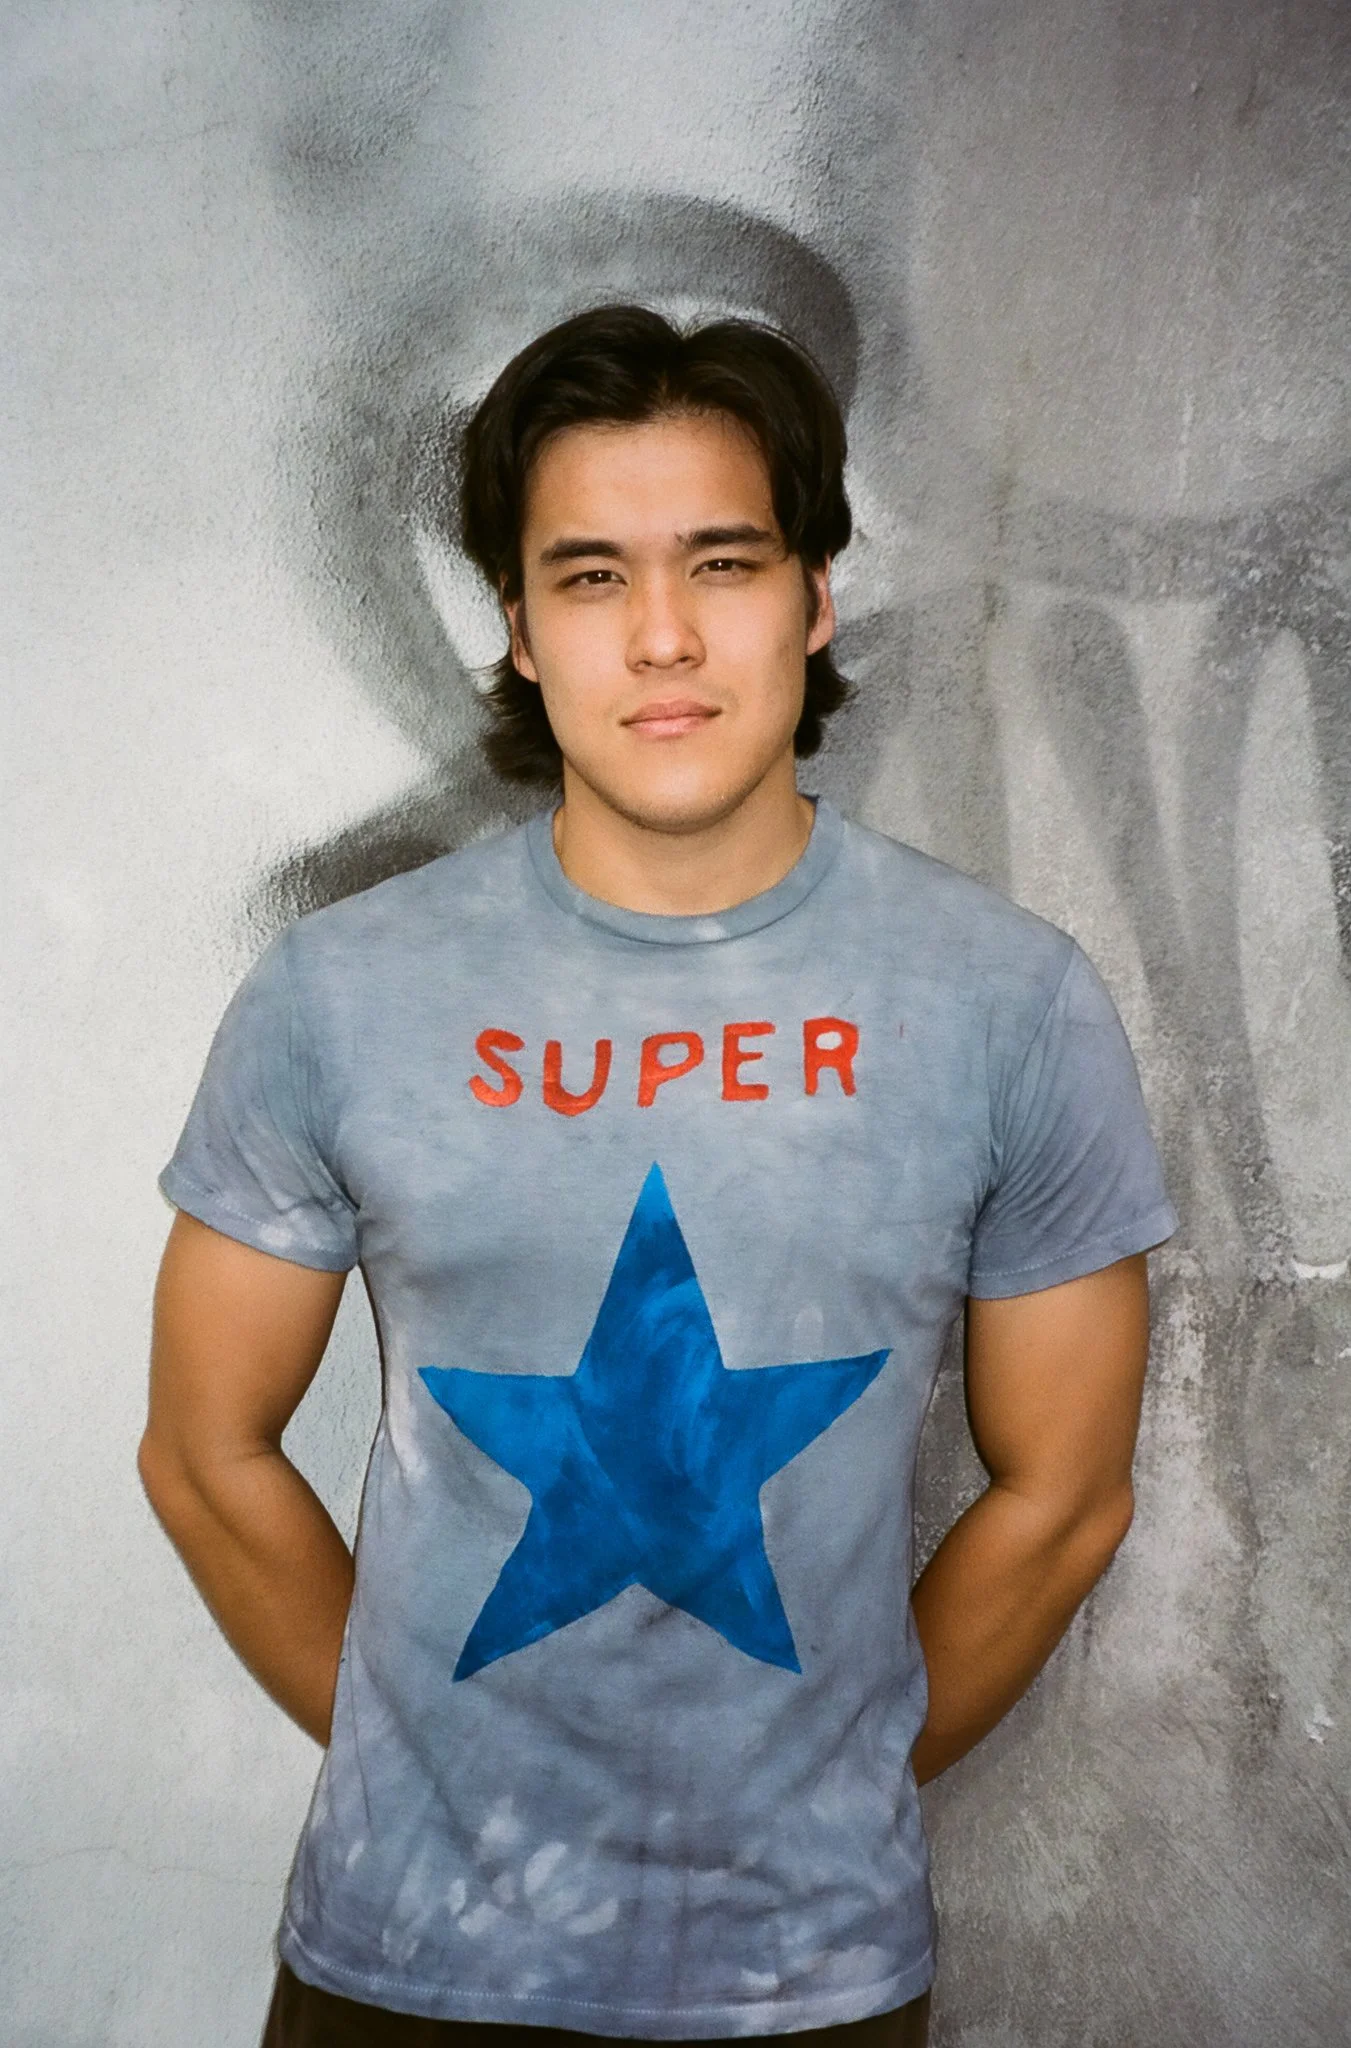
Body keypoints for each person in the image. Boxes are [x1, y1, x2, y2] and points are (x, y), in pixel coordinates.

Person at [140, 306, 1177, 2047]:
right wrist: (439, 1771)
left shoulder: (1008, 1000)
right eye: (593, 577)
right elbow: (201, 1452)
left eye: (723, 560)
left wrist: (807, 1783)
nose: (667, 635)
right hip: (396, 1975)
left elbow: (1064, 1498)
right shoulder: (337, 991)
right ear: (525, 635)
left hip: (811, 1987)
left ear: (815, 597)